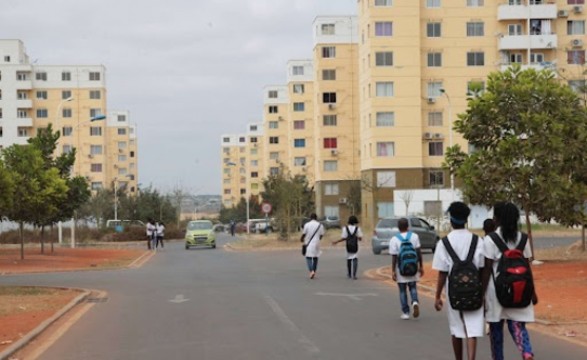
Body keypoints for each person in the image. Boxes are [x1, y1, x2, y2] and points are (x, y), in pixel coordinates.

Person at [483, 202, 536, 360]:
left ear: (496, 219)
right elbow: (527, 266)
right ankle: (526, 351)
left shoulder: (490, 239)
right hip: (520, 287)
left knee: (496, 330)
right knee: (518, 324)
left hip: (496, 290)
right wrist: (533, 292)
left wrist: (481, 294)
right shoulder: (523, 239)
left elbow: (486, 269)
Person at [432, 202, 485, 360]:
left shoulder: (444, 243)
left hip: (454, 292)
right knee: (472, 329)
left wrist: (437, 296)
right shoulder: (478, 241)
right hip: (474, 290)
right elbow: (482, 268)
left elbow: (442, 272)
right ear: (466, 219)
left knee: (456, 330)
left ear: (451, 220)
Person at [389, 218, 423, 319]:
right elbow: (418, 252)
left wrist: (393, 271)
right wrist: (421, 266)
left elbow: (394, 256)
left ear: (398, 227)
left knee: (402, 290)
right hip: (413, 267)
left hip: (401, 268)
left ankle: (406, 312)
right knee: (413, 286)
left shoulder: (394, 239)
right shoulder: (414, 236)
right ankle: (415, 301)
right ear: (408, 226)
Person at [332, 215, 363, 279]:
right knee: (355, 259)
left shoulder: (345, 228)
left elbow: (344, 238)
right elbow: (360, 238)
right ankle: (354, 274)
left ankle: (349, 273)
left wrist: (336, 241)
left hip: (348, 245)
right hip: (355, 246)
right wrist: (356, 237)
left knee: (349, 259)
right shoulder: (357, 229)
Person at [300, 213, 325, 279]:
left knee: (308, 257)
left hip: (308, 243)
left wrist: (301, 239)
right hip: (317, 243)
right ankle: (314, 270)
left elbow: (304, 234)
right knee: (315, 257)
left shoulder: (307, 225)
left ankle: (311, 271)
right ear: (316, 218)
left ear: (310, 218)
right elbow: (322, 235)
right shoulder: (320, 225)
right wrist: (318, 239)